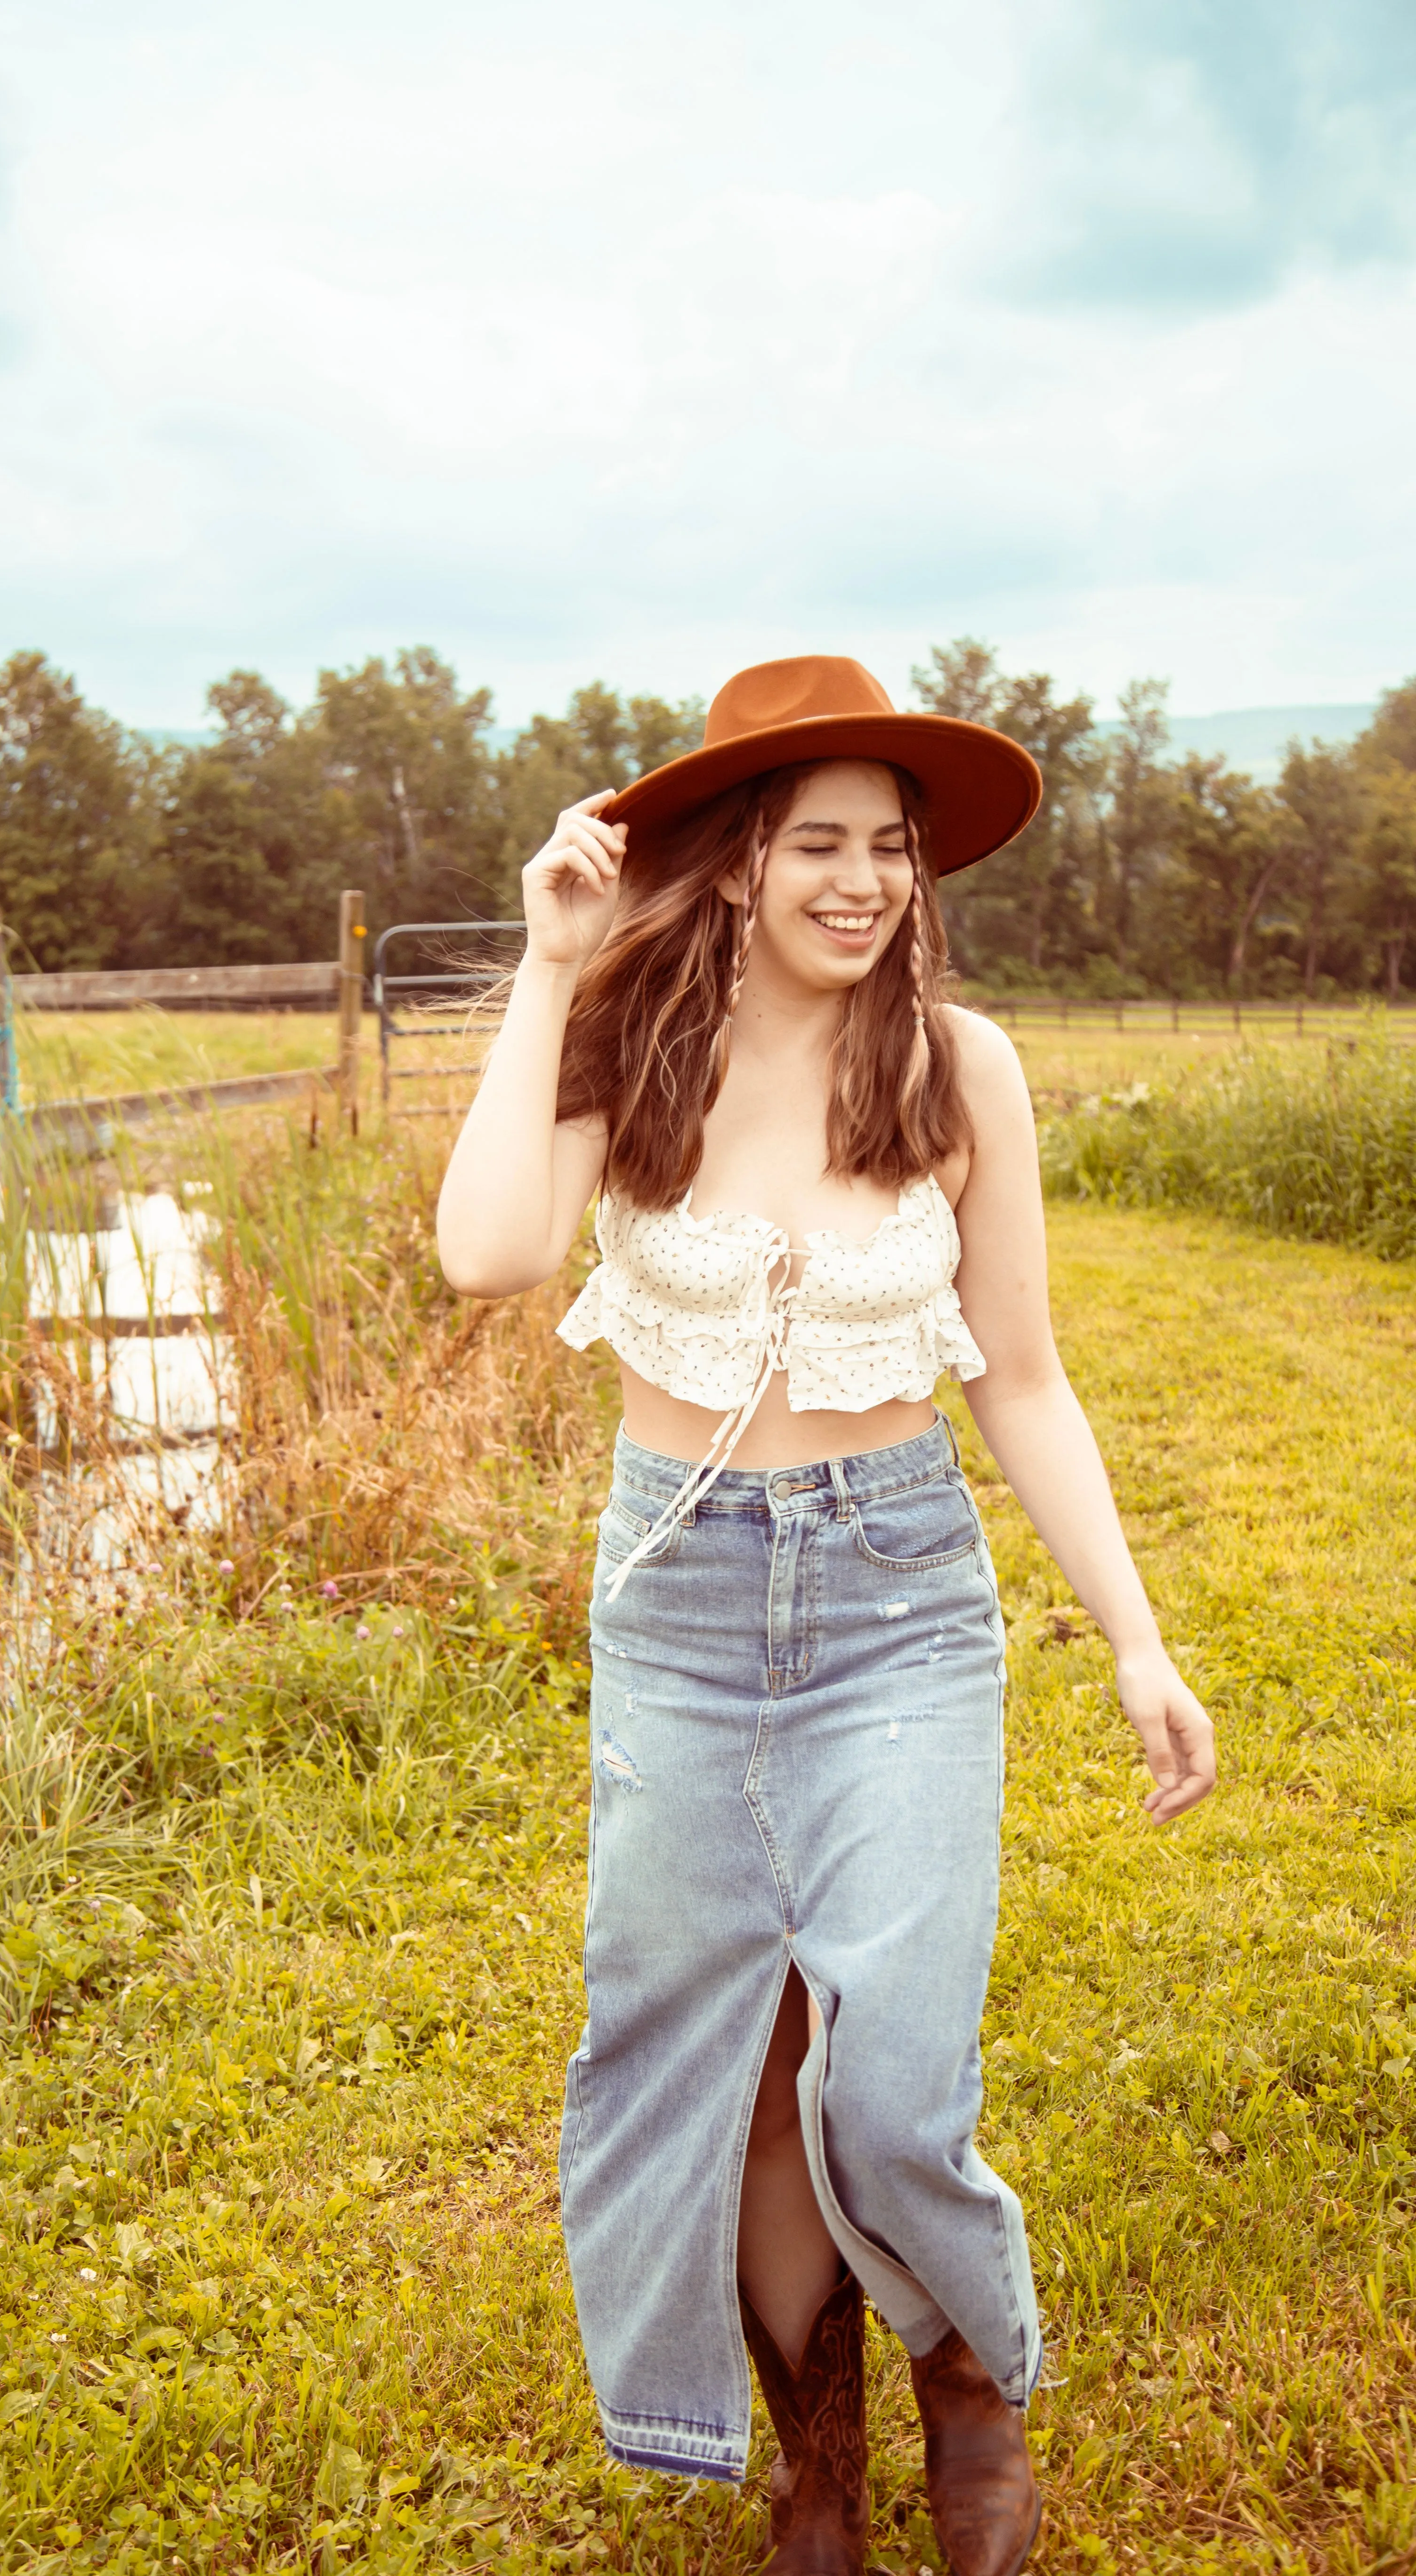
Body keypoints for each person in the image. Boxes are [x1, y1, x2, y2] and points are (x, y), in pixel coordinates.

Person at [436, 656, 1216, 2576]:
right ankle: (816, 2457)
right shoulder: (631, 1045)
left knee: (890, 2068)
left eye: (892, 848)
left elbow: (1018, 1376)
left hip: (897, 1597)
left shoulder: (961, 1066)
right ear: (734, 861)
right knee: (729, 2059)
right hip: (683, 1608)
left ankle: (964, 2374)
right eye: (820, 844)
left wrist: (1133, 1639)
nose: (863, 883)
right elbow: (489, 1254)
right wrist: (549, 966)